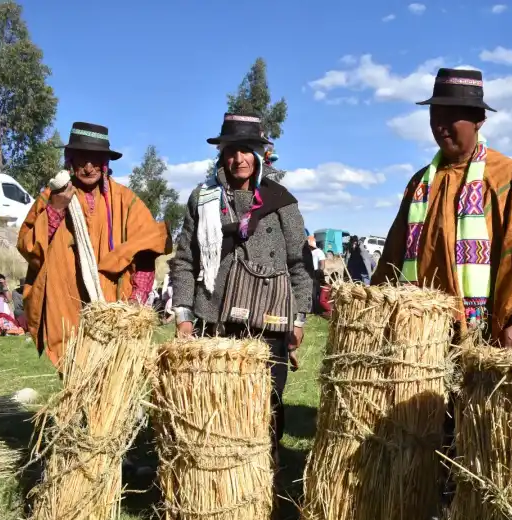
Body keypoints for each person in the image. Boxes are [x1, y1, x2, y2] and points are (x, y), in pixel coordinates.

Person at [374, 68, 512, 347]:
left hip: (485, 336)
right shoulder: (421, 183)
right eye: (435, 117)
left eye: (451, 117)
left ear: (479, 120)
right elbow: (393, 257)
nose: (440, 126)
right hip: (420, 338)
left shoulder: (508, 178)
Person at [170, 112, 312, 458]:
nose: (238, 159)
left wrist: (299, 319)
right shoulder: (202, 200)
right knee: (215, 408)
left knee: (267, 407)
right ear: (222, 154)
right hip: (215, 321)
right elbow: (185, 260)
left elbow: (300, 263)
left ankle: (266, 481)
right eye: (232, 150)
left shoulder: (282, 202)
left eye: (246, 150)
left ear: (260, 154)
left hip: (268, 323)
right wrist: (184, 313)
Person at [16, 122, 171, 367]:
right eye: (81, 159)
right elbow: (30, 248)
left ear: (105, 162)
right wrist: (56, 209)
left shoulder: (124, 200)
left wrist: (137, 300)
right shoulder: (52, 197)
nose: (88, 168)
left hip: (114, 305)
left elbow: (147, 249)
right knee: (74, 371)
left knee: (114, 374)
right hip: (66, 302)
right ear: (70, 161)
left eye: (95, 159)